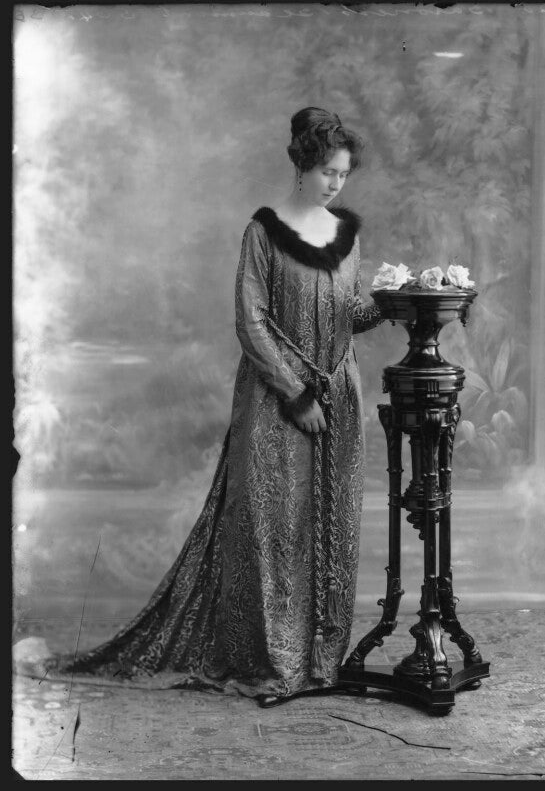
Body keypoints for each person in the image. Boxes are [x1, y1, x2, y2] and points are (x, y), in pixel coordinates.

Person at [37, 107, 383, 708]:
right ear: (302, 165)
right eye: (327, 171)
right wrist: (296, 394)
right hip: (278, 401)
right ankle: (272, 662)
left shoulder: (346, 236)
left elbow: (347, 314)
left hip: (338, 398)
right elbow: (251, 321)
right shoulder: (264, 231)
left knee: (330, 523)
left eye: (343, 174)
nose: (335, 183)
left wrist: (394, 303)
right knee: (271, 527)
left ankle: (318, 660)